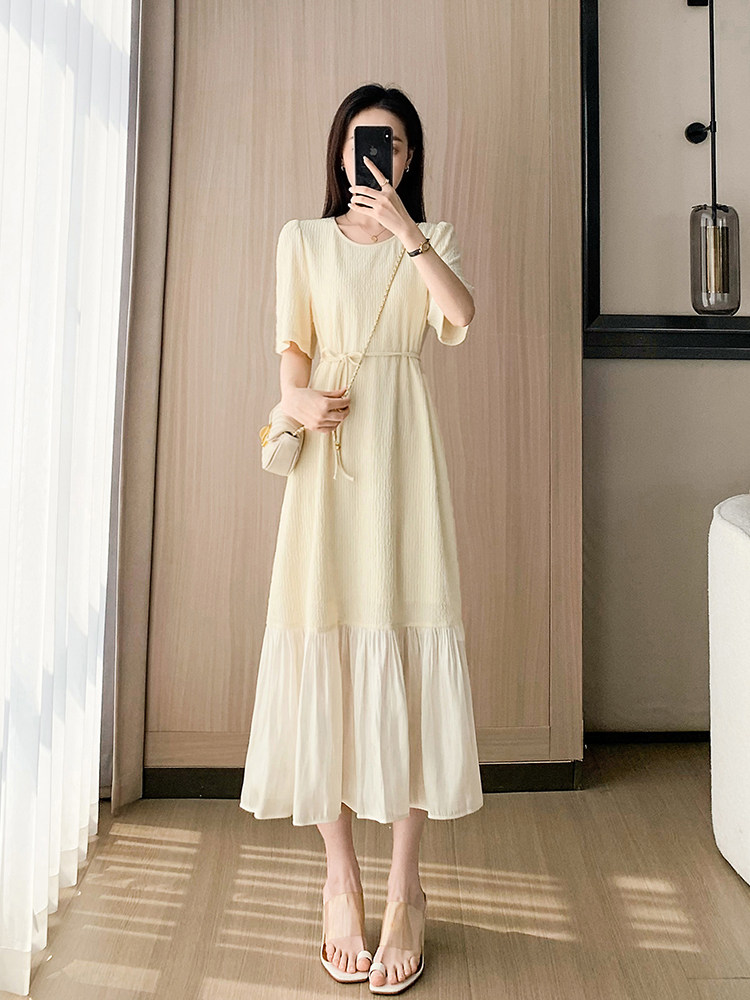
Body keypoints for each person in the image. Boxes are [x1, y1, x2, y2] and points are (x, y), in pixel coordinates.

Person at [239, 83, 484, 994]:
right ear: (340, 151)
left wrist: (408, 230)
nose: (374, 155)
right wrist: (294, 401)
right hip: (328, 466)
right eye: (360, 141)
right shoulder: (300, 241)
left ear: (408, 158)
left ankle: (404, 887)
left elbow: (460, 316)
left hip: (403, 463)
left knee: (409, 654)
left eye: (392, 143)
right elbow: (292, 351)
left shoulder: (433, 238)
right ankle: (339, 880)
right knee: (326, 647)